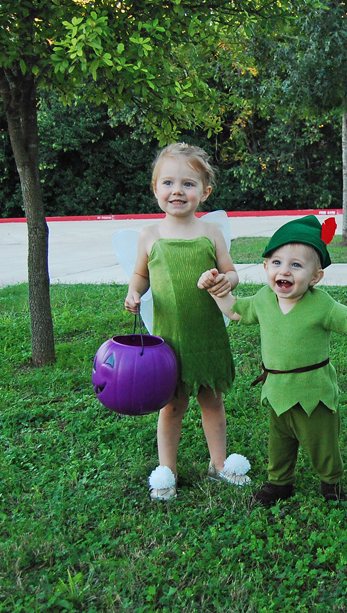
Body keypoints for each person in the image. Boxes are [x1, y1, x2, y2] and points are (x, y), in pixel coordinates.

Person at [198, 215, 347, 506]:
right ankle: (279, 484)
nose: (284, 271)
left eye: (296, 265)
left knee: (321, 442)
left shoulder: (320, 304)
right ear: (265, 267)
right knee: (280, 442)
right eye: (277, 263)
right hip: (277, 391)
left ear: (315, 276)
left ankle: (331, 484)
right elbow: (236, 311)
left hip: (314, 392)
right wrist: (216, 292)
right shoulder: (263, 299)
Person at [125, 142, 250, 501]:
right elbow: (140, 274)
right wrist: (134, 292)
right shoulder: (150, 235)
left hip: (207, 335)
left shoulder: (211, 232)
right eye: (167, 183)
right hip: (169, 342)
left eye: (188, 184)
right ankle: (167, 471)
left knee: (212, 401)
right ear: (155, 189)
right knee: (172, 406)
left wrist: (228, 281)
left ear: (205, 192)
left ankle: (219, 463)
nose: (177, 191)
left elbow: (231, 272)